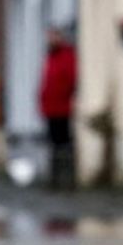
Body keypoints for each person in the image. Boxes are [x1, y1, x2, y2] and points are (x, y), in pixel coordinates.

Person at [39, 25, 78, 190]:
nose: (51, 40)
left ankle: (66, 179)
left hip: (62, 108)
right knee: (53, 145)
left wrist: (64, 96)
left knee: (64, 145)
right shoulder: (51, 57)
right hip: (51, 109)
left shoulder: (67, 56)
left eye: (54, 36)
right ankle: (54, 179)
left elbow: (70, 80)